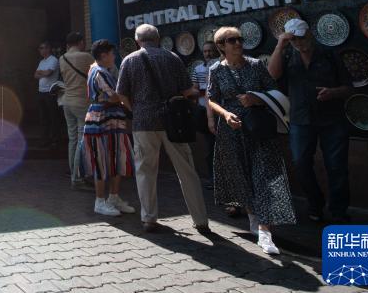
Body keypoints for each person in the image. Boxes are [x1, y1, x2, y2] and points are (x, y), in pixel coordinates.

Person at [207, 26, 295, 255]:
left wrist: (256, 99)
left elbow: (274, 90)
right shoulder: (216, 70)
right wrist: (225, 114)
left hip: (259, 128)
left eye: (240, 39)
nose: (238, 43)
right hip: (232, 130)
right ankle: (254, 217)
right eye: (232, 40)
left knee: (263, 175)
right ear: (221, 46)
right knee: (242, 174)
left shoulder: (256, 65)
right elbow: (212, 98)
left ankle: (265, 232)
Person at [116, 23, 209, 234]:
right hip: (173, 122)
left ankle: (149, 218)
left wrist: (135, 109)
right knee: (187, 171)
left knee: (145, 171)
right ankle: (201, 219)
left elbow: (121, 94)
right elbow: (188, 90)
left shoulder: (129, 60)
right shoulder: (172, 58)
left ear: (138, 40)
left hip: (143, 122)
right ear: (157, 39)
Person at [268, 18, 352, 222]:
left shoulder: (329, 55)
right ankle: (315, 203)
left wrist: (333, 92)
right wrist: (280, 45)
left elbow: (348, 88)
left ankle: (339, 210)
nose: (299, 43)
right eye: (294, 39)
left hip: (332, 118)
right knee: (300, 163)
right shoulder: (287, 56)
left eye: (302, 37)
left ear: (310, 34)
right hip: (301, 119)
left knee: (337, 166)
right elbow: (272, 74)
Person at [80, 39, 135, 217]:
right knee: (101, 160)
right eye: (112, 54)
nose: (114, 57)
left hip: (112, 120)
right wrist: (125, 96)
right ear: (103, 56)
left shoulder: (98, 69)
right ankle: (100, 201)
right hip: (101, 120)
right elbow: (115, 96)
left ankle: (113, 197)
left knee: (117, 157)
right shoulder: (99, 72)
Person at [59, 31, 93, 188]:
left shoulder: (62, 58)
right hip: (81, 102)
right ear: (80, 42)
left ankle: (74, 172)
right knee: (81, 139)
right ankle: (77, 178)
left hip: (67, 101)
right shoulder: (86, 57)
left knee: (72, 139)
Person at [193, 41, 218, 190]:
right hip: (204, 111)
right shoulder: (197, 69)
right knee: (209, 147)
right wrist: (203, 92)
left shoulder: (221, 66)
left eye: (210, 50)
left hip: (220, 111)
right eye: (205, 51)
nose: (208, 53)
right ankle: (212, 178)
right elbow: (195, 89)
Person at [34, 41, 63, 148]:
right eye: (40, 48)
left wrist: (41, 72)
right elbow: (35, 75)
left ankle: (55, 140)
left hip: (50, 92)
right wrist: (43, 72)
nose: (41, 50)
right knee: (43, 117)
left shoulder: (53, 60)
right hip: (41, 92)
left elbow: (48, 73)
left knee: (53, 116)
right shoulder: (42, 62)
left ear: (48, 49)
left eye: (43, 48)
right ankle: (45, 139)